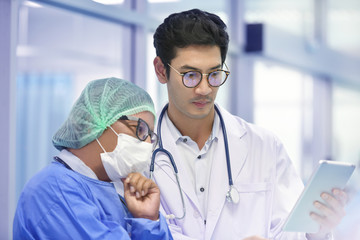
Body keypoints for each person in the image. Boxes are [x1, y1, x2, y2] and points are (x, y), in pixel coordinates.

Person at [151, 9, 347, 240]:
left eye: (214, 74)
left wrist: (319, 228)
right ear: (161, 70)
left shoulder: (264, 146)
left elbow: (293, 233)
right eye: (190, 75)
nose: (204, 89)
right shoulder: (140, 153)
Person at [13, 77, 173, 240]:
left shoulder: (112, 190)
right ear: (95, 120)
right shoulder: (53, 191)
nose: (147, 142)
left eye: (150, 136)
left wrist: (147, 220)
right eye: (139, 129)